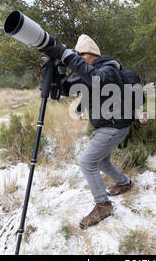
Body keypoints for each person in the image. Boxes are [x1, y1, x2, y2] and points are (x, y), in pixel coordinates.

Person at [44, 34, 137, 229]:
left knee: (87, 161)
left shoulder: (108, 69)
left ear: (93, 54)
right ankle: (125, 182)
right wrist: (60, 70)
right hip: (107, 126)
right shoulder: (91, 73)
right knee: (101, 161)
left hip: (114, 125)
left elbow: (95, 79)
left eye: (82, 55)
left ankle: (103, 205)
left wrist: (67, 55)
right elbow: (64, 90)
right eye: (78, 55)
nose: (80, 58)